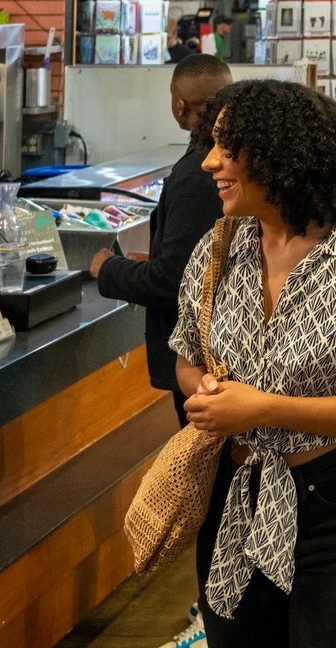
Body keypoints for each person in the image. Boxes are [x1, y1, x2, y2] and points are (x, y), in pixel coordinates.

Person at [172, 80, 336, 648]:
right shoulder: (217, 250)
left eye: (227, 146)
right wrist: (208, 391)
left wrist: (263, 408)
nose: (209, 162)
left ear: (277, 154)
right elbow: (188, 357)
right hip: (236, 503)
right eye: (210, 144)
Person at [92, 53, 233, 424]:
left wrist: (110, 269)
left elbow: (176, 281)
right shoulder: (235, 159)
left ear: (179, 104)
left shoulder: (197, 173)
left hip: (203, 359)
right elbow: (201, 259)